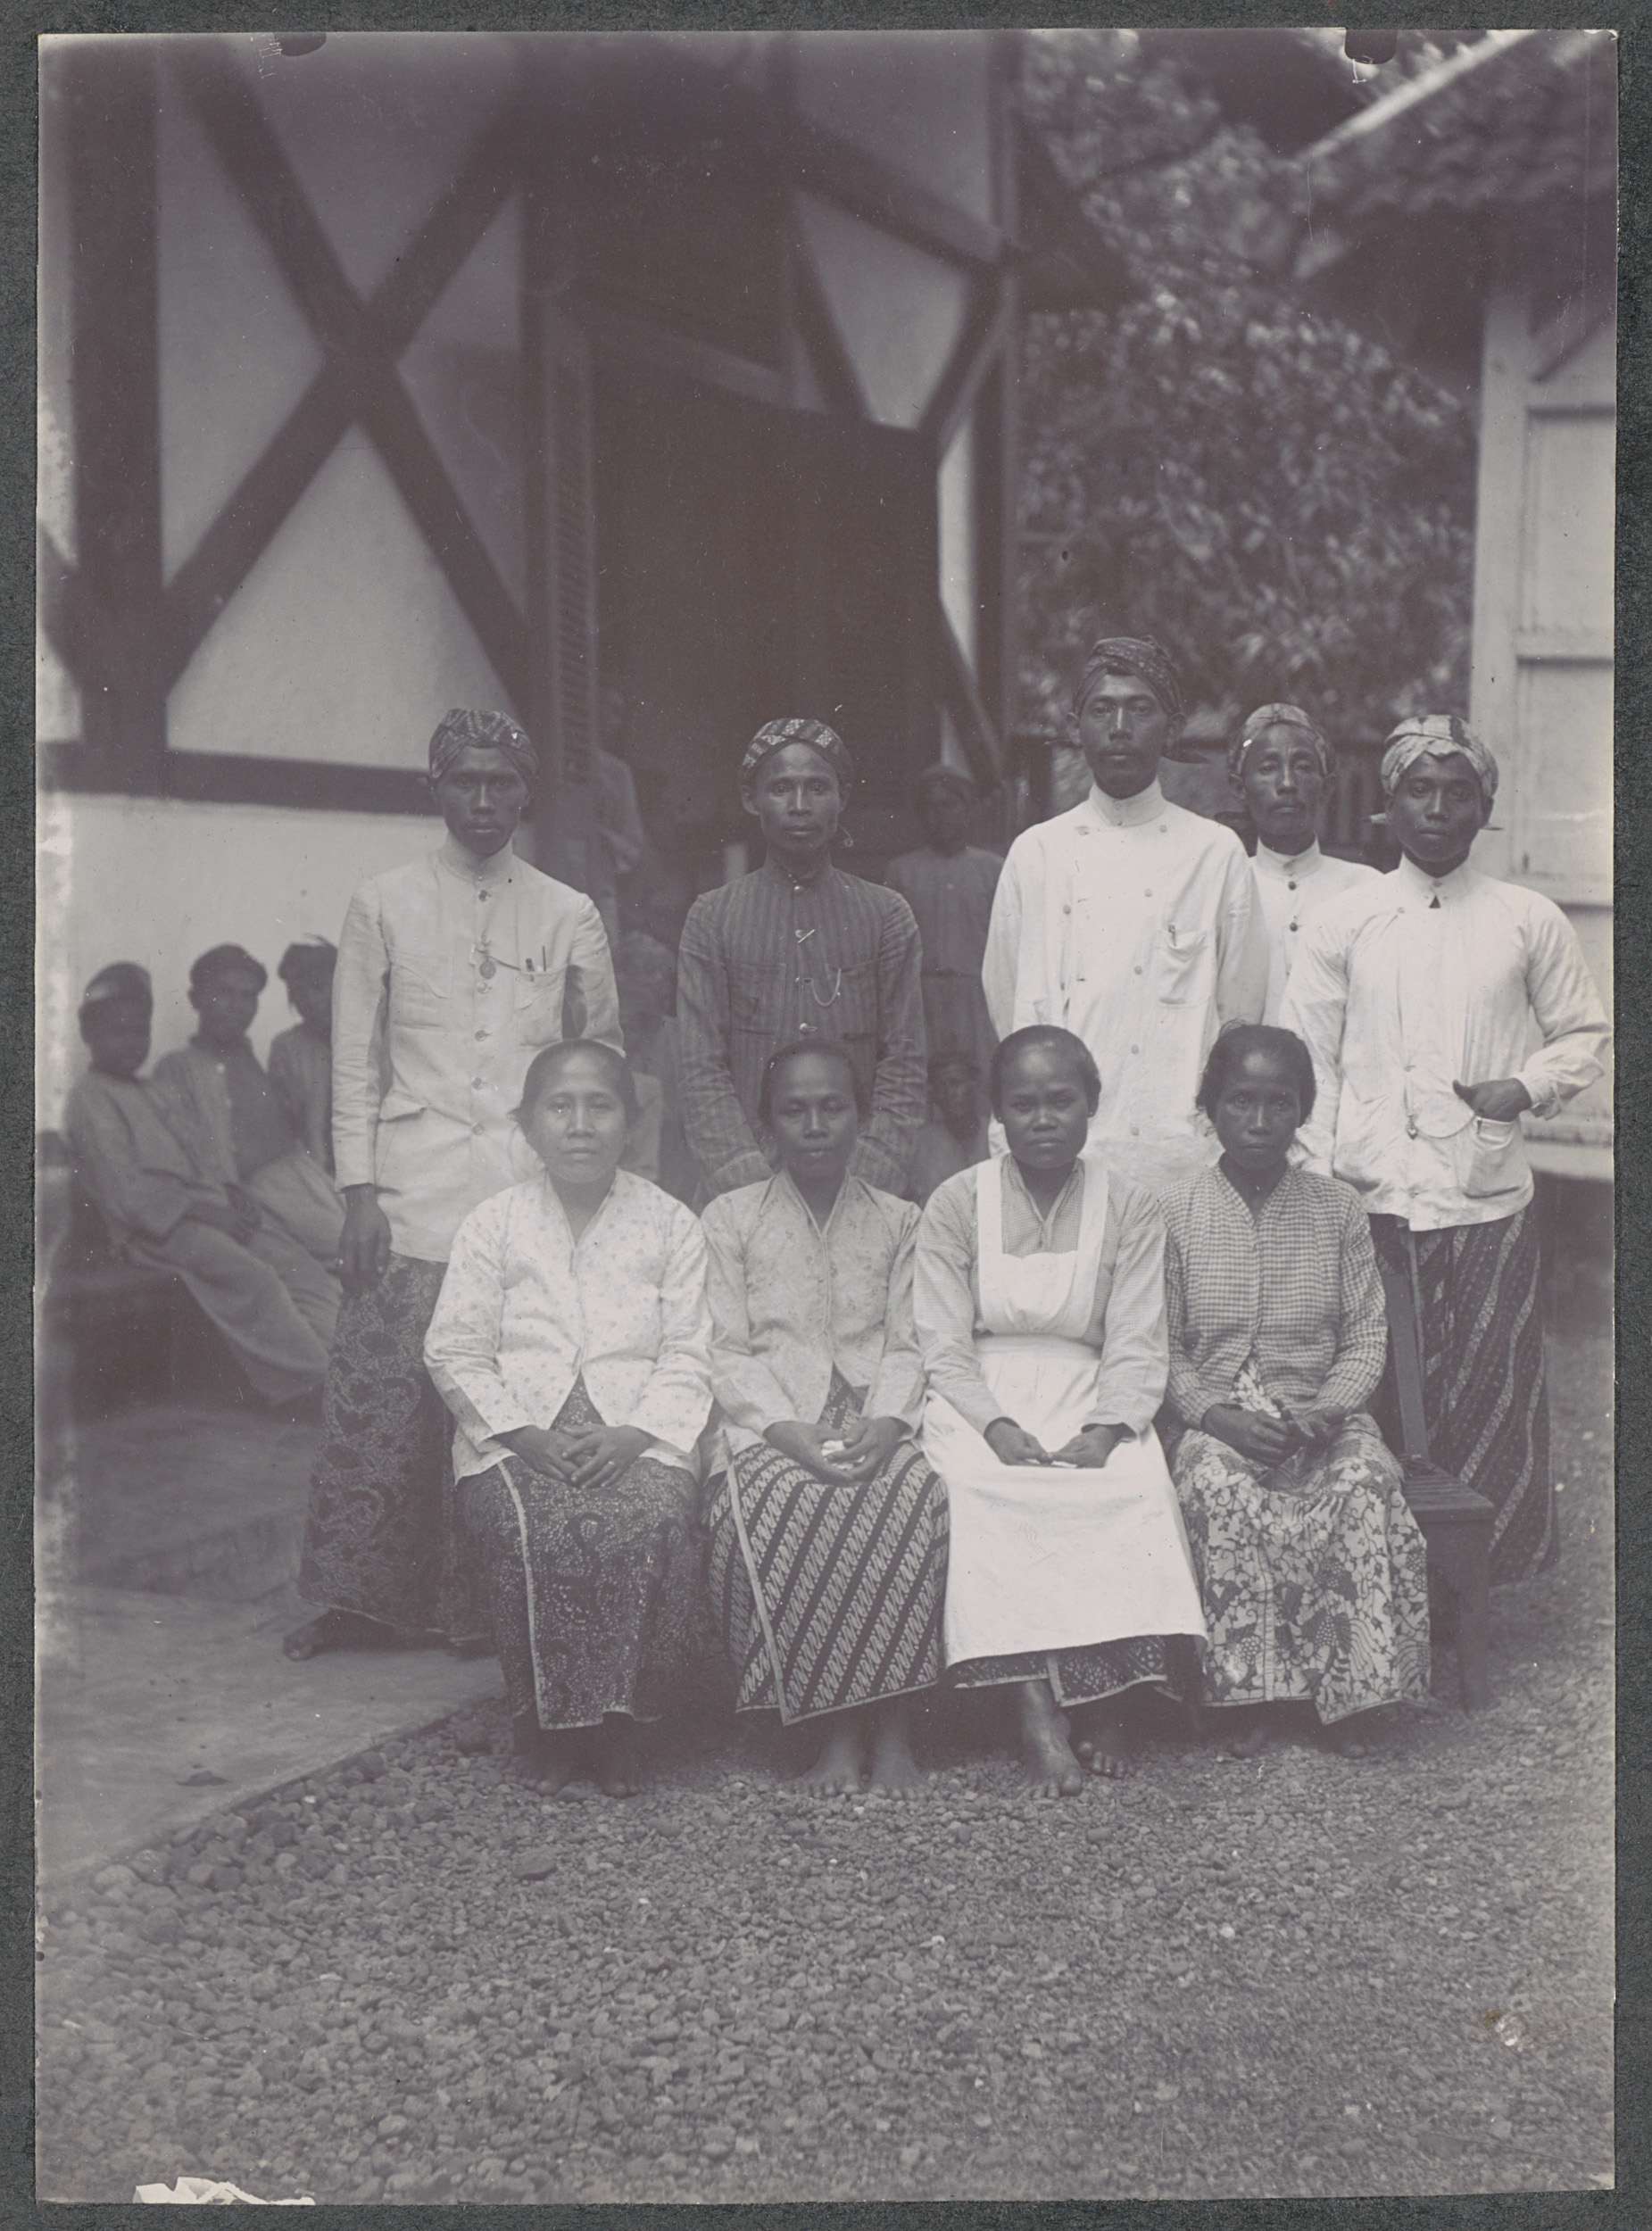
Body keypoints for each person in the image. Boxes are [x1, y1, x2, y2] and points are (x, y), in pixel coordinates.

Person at [286, 707, 621, 1661]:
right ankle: (359, 1604)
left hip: (523, 1193)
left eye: (500, 781)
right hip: (410, 1189)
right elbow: (355, 1060)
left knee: (504, 1398)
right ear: (433, 788)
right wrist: (358, 1192)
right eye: (465, 780)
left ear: (525, 793)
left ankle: (480, 1608)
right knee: (385, 1398)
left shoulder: (566, 913)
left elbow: (598, 1061)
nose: (483, 799)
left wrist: (583, 1195)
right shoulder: (383, 903)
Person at [1282, 715, 1609, 1583]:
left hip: (1485, 1198)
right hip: (1369, 1197)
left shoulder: (1524, 918)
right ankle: (1377, 1580)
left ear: (1483, 807)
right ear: (1388, 803)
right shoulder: (1343, 921)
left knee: (1485, 1390)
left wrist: (1524, 1086)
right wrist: (1320, 1186)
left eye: (1457, 792)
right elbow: (1307, 1064)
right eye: (1418, 790)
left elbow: (1583, 1034)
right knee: (1379, 1391)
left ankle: (1477, 1583)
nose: (1436, 809)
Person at [916, 1025, 1207, 1796]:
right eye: (1023, 1104)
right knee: (979, 1491)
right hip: (980, 1395)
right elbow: (940, 1341)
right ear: (997, 1113)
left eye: (1060, 1100)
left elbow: (1138, 1337)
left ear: (1091, 1105)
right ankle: (1033, 1711)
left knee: (1132, 1488)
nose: (1042, 1119)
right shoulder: (956, 1202)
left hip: (1090, 1389)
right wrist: (994, 1426)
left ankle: (1111, 1700)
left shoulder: (1129, 1206)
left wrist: (1107, 1430)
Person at [425, 1041, 712, 1796]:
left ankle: (623, 1730)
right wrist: (523, 1436)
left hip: (637, 1429)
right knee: (525, 1523)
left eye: (599, 1106)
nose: (579, 1125)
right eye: (559, 1107)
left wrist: (635, 1434)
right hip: (518, 1431)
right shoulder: (493, 1223)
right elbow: (453, 1348)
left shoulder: (671, 1224)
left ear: (631, 1122)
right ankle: (549, 1731)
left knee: (650, 1517)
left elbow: (690, 1350)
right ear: (527, 1125)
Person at [1161, 1026, 1430, 1756]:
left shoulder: (1335, 1209)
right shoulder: (1174, 1211)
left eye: (1278, 1103)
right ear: (1209, 1107)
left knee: (1361, 1482)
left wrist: (1327, 1410)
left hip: (1321, 1415)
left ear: (1303, 1110)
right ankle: (1252, 1696)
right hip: (1218, 1421)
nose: (1258, 1121)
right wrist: (1214, 1417)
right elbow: (1163, 1346)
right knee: (1213, 1486)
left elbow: (1365, 1335)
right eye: (1238, 1101)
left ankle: (1351, 1694)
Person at [703, 1040, 949, 1796]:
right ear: (767, 1125)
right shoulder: (730, 1219)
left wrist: (888, 1423)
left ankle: (896, 1731)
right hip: (771, 1423)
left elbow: (911, 1339)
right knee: (785, 1501)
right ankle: (835, 1733)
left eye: (833, 1107)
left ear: (861, 1118)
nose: (814, 1126)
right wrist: (785, 1431)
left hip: (878, 1415)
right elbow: (723, 1348)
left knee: (909, 1496)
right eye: (794, 1111)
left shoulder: (901, 1220)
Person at [982, 637, 1268, 1190]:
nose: (1119, 727)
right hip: (1063, 1155)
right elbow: (1006, 1001)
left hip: (1181, 1156)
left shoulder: (1214, 854)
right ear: (1075, 727)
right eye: (1102, 709)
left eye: (1140, 709)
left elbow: (1240, 1010)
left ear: (1171, 727)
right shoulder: (1037, 853)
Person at [63, 964, 338, 1406]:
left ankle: (340, 1362)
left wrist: (232, 1194)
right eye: (117, 1032)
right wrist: (207, 1212)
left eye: (139, 1031)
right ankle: (306, 1383)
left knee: (296, 1262)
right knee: (254, 1277)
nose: (131, 1043)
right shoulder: (91, 1099)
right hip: (154, 1231)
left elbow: (200, 1154)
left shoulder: (149, 1090)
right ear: (89, 1034)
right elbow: (125, 1192)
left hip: (204, 1209)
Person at [677, 718, 926, 1200]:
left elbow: (905, 1063)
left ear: (842, 797)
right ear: (752, 800)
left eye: (817, 788)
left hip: (863, 1188)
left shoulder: (886, 916)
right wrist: (747, 1187)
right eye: (780, 788)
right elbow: (699, 1068)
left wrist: (868, 1179)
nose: (798, 805)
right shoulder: (712, 918)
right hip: (743, 1190)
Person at [154, 945, 344, 1266]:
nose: (237, 1007)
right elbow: (178, 1160)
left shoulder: (251, 1059)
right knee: (353, 1247)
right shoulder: (178, 1068)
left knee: (368, 1241)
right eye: (224, 993)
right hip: (251, 1195)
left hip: (306, 1179)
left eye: (248, 996)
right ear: (196, 998)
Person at [1229, 704, 1377, 1023]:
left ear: (1327, 787)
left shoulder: (1368, 889)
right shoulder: (1226, 887)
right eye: (1268, 768)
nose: (1287, 783)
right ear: (1240, 788)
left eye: (1303, 767)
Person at [884, 764, 1001, 1082]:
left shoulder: (993, 870)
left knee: (982, 1079)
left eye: (949, 805)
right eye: (930, 807)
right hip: (922, 997)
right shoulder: (902, 872)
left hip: (977, 997)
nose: (939, 815)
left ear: (968, 809)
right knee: (921, 1078)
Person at [614, 928, 692, 1200]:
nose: (659, 983)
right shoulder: (603, 1031)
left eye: (664, 975)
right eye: (647, 972)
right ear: (619, 979)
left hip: (672, 1174)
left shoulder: (680, 1038)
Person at [268, 937, 337, 1174]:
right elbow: (283, 1127)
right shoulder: (287, 1048)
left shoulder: (375, 1036)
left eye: (318, 987)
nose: (309, 1000)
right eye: (298, 992)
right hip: (316, 1175)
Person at [906, 1049, 990, 1206]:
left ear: (974, 1084)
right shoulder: (922, 1143)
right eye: (941, 1086)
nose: (949, 1093)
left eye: (956, 1083)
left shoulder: (995, 1133)